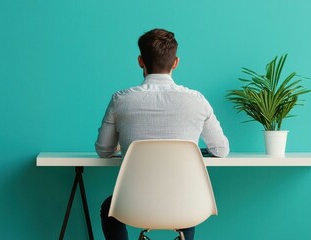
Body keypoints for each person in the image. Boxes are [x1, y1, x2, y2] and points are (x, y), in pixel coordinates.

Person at [95, 28, 230, 240]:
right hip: (185, 204)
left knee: (109, 208)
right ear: (175, 62)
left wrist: (121, 145)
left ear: (141, 61)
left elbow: (103, 150)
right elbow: (221, 150)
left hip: (132, 204)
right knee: (187, 204)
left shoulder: (120, 100)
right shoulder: (197, 101)